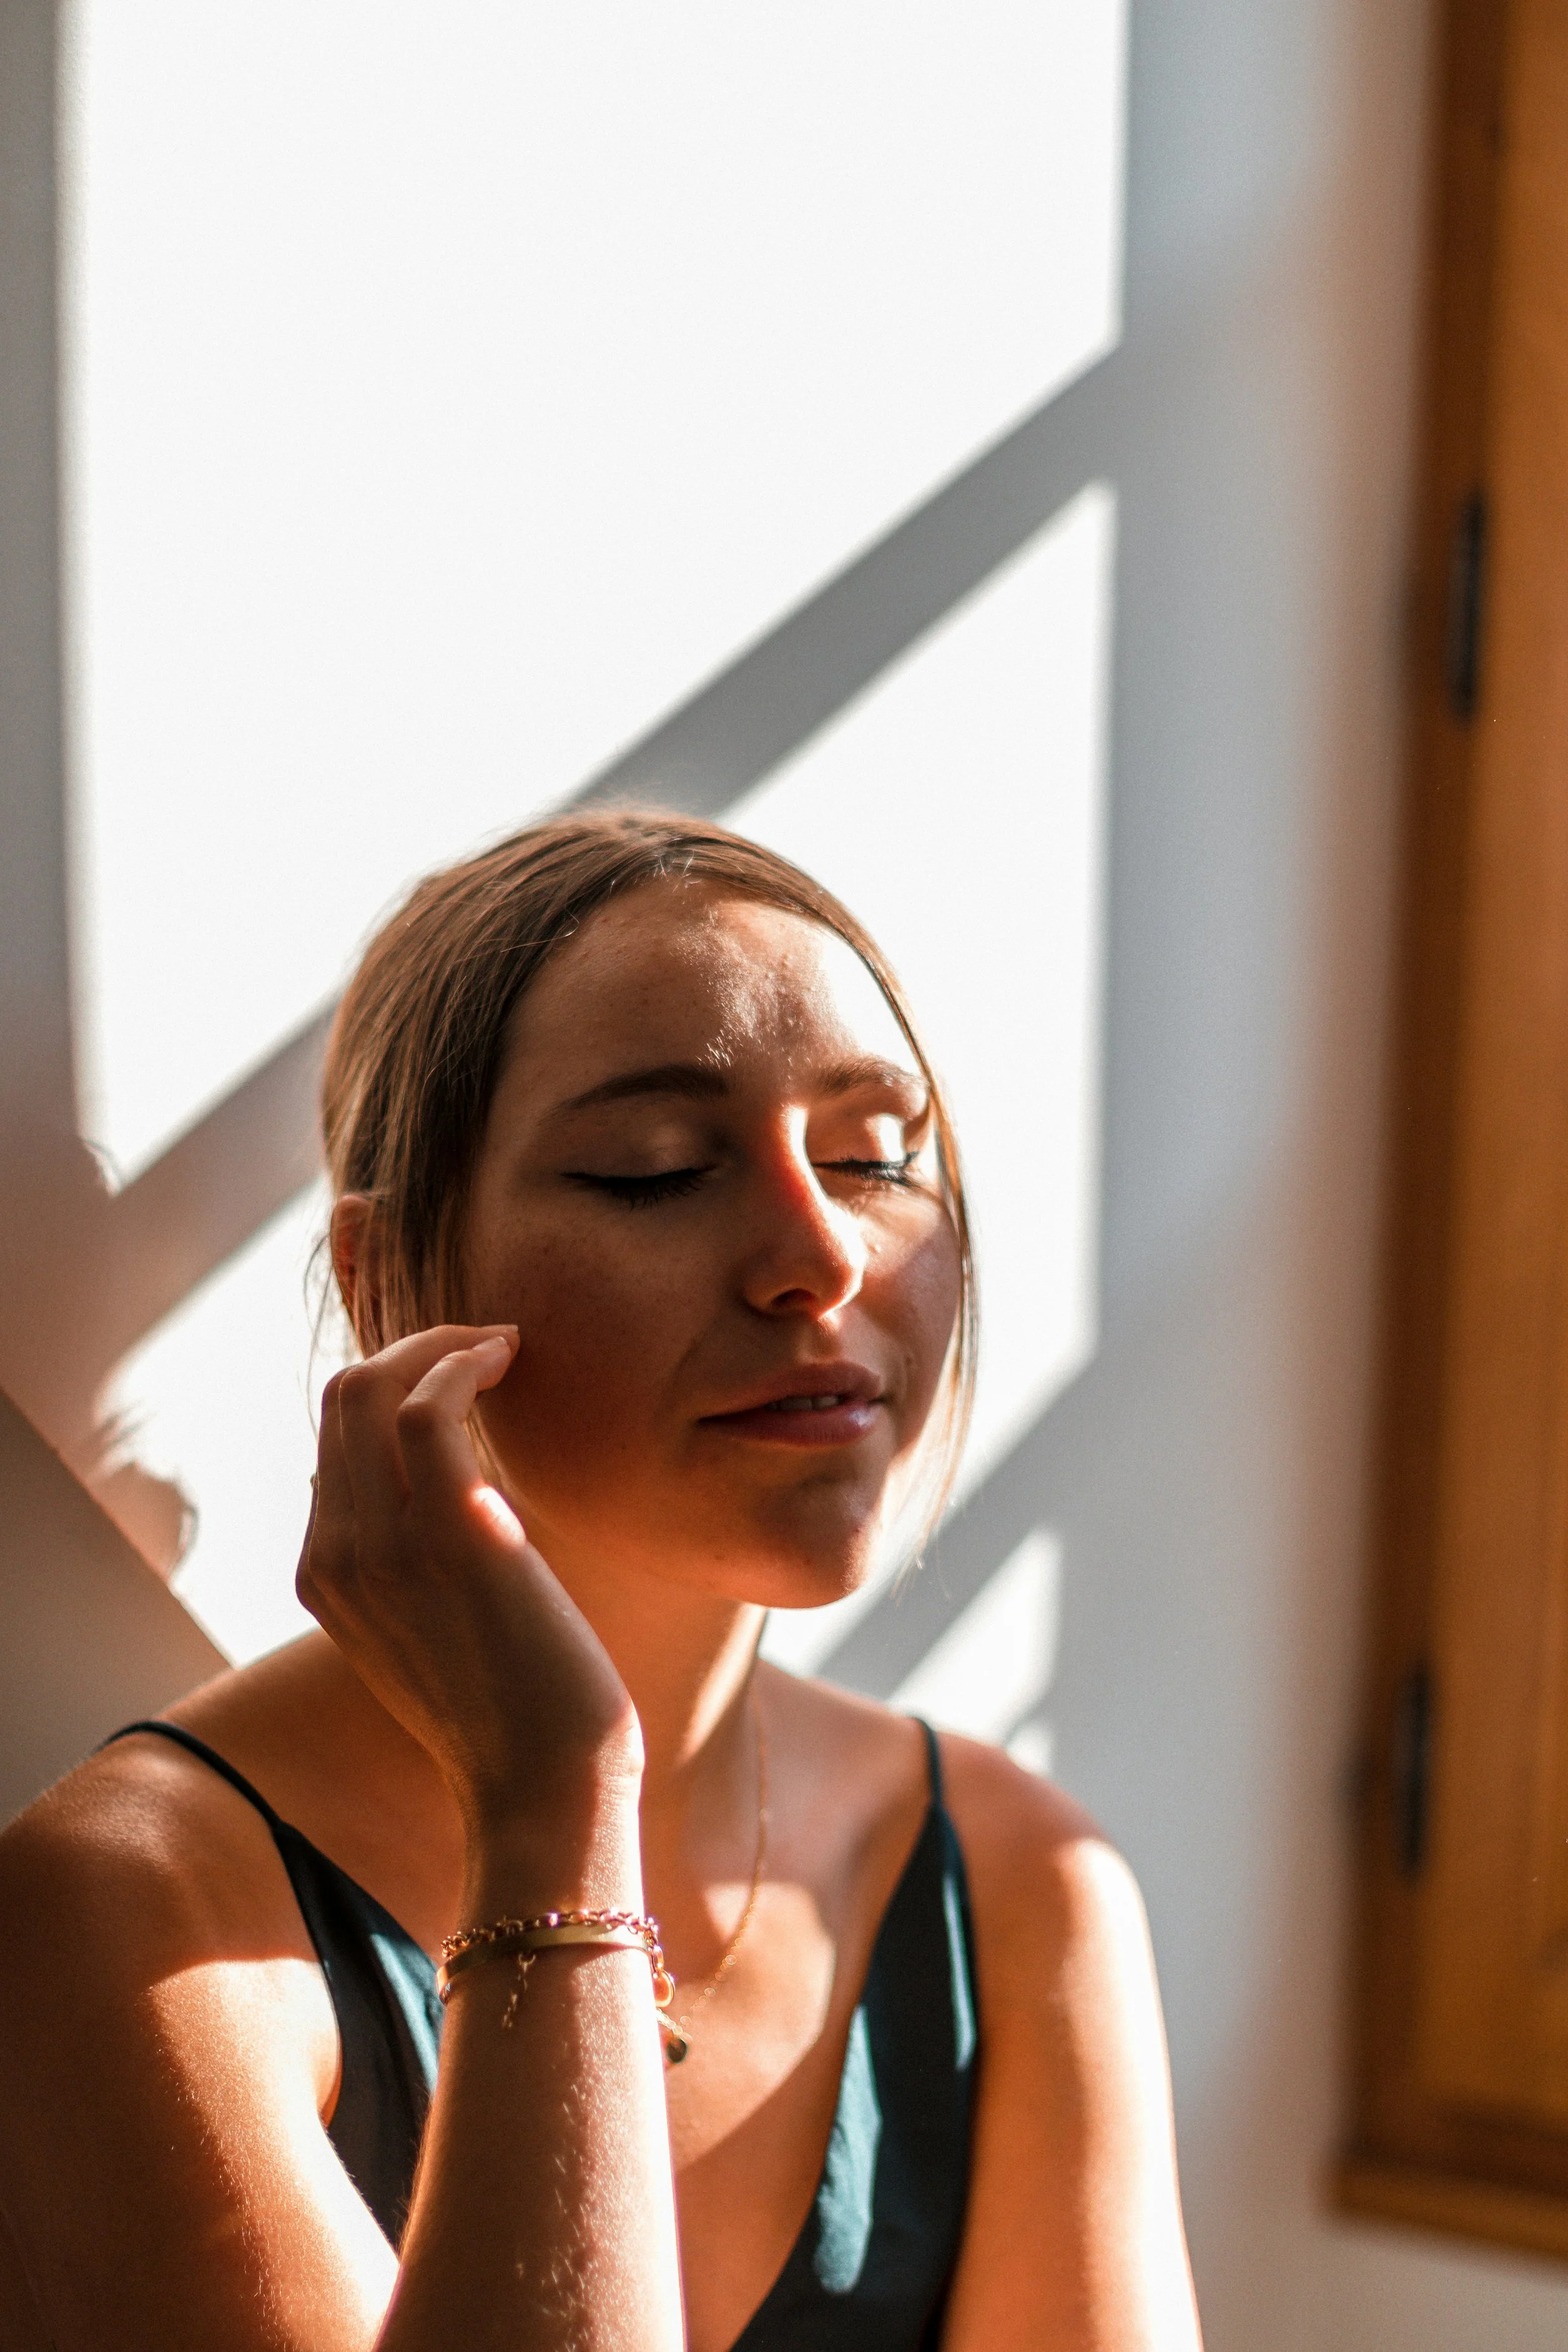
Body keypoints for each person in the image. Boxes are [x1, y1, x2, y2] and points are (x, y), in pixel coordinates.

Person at [0, 810, 1202, 2351]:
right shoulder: (129, 1912)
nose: (819, 1253)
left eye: (873, 1156)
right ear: (385, 1285)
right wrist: (553, 1802)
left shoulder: (1021, 1880)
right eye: (657, 1170)